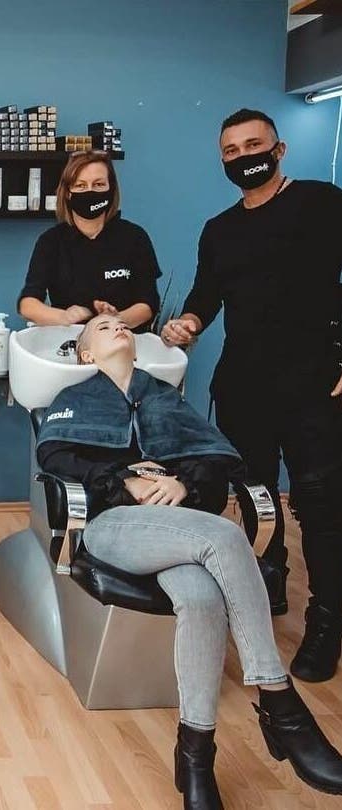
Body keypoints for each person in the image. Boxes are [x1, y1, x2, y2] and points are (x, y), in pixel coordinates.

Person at [39, 314, 342, 808]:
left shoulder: (165, 398)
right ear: (86, 354)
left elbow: (215, 460)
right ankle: (280, 705)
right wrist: (127, 482)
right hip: (116, 523)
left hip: (179, 524)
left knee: (201, 599)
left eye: (122, 324)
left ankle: (195, 755)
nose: (117, 327)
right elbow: (56, 459)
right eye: (103, 327)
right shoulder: (74, 399)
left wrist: (183, 484)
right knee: (224, 536)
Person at [162, 108, 342, 680]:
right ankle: (269, 583)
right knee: (255, 497)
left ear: (279, 149)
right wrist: (189, 322)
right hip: (244, 385)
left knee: (320, 503)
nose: (244, 157)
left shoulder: (322, 204)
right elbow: (206, 294)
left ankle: (327, 621)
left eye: (253, 145)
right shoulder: (220, 229)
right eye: (232, 151)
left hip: (314, 383)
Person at [19, 150, 162, 330]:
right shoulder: (51, 241)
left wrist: (114, 320)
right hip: (70, 340)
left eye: (99, 184)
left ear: (111, 189)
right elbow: (28, 304)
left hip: (123, 339)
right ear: (68, 192)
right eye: (80, 185)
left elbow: (148, 303)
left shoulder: (135, 237)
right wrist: (64, 316)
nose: (90, 191)